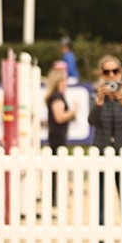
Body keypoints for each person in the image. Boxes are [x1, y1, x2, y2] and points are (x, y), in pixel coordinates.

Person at [90, 55, 122, 243]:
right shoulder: (96, 94)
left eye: (114, 71)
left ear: (121, 72)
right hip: (102, 155)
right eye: (107, 72)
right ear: (101, 74)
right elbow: (92, 123)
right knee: (101, 210)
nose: (111, 76)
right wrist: (99, 100)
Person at [45, 67, 76, 209]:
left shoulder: (55, 95)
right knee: (58, 166)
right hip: (57, 135)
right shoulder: (57, 97)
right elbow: (59, 117)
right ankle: (56, 197)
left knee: (56, 167)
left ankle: (57, 195)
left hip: (57, 134)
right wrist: (73, 111)